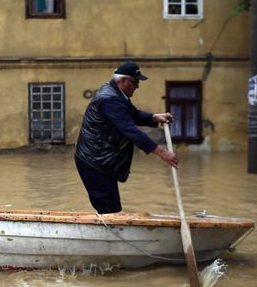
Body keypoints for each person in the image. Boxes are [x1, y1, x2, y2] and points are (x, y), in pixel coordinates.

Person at [74, 61, 179, 214]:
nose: (137, 86)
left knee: (111, 208)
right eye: (135, 82)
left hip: (101, 160)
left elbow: (132, 114)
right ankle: (110, 236)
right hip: (94, 161)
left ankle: (111, 233)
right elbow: (129, 129)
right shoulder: (110, 99)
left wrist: (154, 117)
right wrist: (162, 153)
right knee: (109, 209)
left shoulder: (115, 92)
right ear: (123, 81)